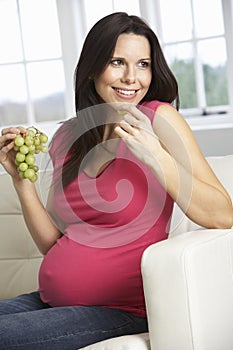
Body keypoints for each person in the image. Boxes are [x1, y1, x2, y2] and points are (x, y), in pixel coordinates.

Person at [0, 12, 232, 350]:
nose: (131, 77)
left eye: (143, 64)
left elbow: (224, 214)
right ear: (94, 67)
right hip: (52, 301)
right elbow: (54, 243)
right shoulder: (68, 136)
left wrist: (156, 155)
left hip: (120, 309)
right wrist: (21, 182)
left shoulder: (160, 118)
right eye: (117, 62)